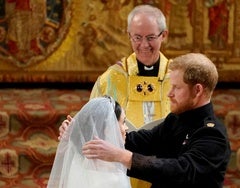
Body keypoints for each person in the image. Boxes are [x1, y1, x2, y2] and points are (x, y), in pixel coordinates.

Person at [59, 5, 170, 187]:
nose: (143, 45)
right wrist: (72, 131)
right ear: (128, 36)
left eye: (150, 38)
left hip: (166, 170)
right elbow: (91, 127)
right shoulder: (111, 78)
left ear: (163, 35)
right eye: (137, 37)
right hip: (119, 172)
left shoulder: (178, 78)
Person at [82, 53, 231, 187]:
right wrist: (83, 132)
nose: (169, 94)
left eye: (176, 88)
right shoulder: (175, 119)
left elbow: (181, 170)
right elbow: (142, 141)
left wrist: (123, 156)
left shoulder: (212, 134)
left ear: (197, 90)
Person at [47, 96, 131, 188]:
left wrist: (77, 131)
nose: (127, 128)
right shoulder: (116, 176)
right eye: (123, 122)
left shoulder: (77, 161)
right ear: (109, 127)